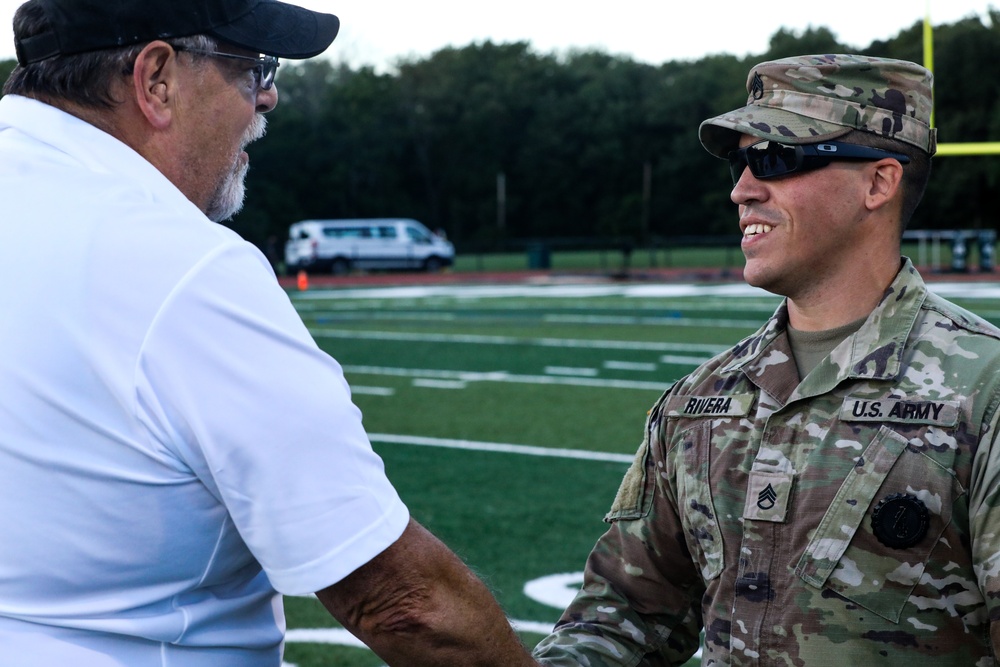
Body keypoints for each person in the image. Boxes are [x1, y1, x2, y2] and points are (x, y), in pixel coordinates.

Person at [0, 1, 537, 666]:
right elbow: (407, 606)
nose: (269, 94)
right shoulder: (183, 265)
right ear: (157, 78)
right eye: (251, 68)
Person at [533, 54, 1000, 665]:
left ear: (879, 183)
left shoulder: (983, 391)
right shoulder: (702, 399)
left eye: (776, 159)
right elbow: (623, 616)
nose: (742, 189)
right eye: (740, 162)